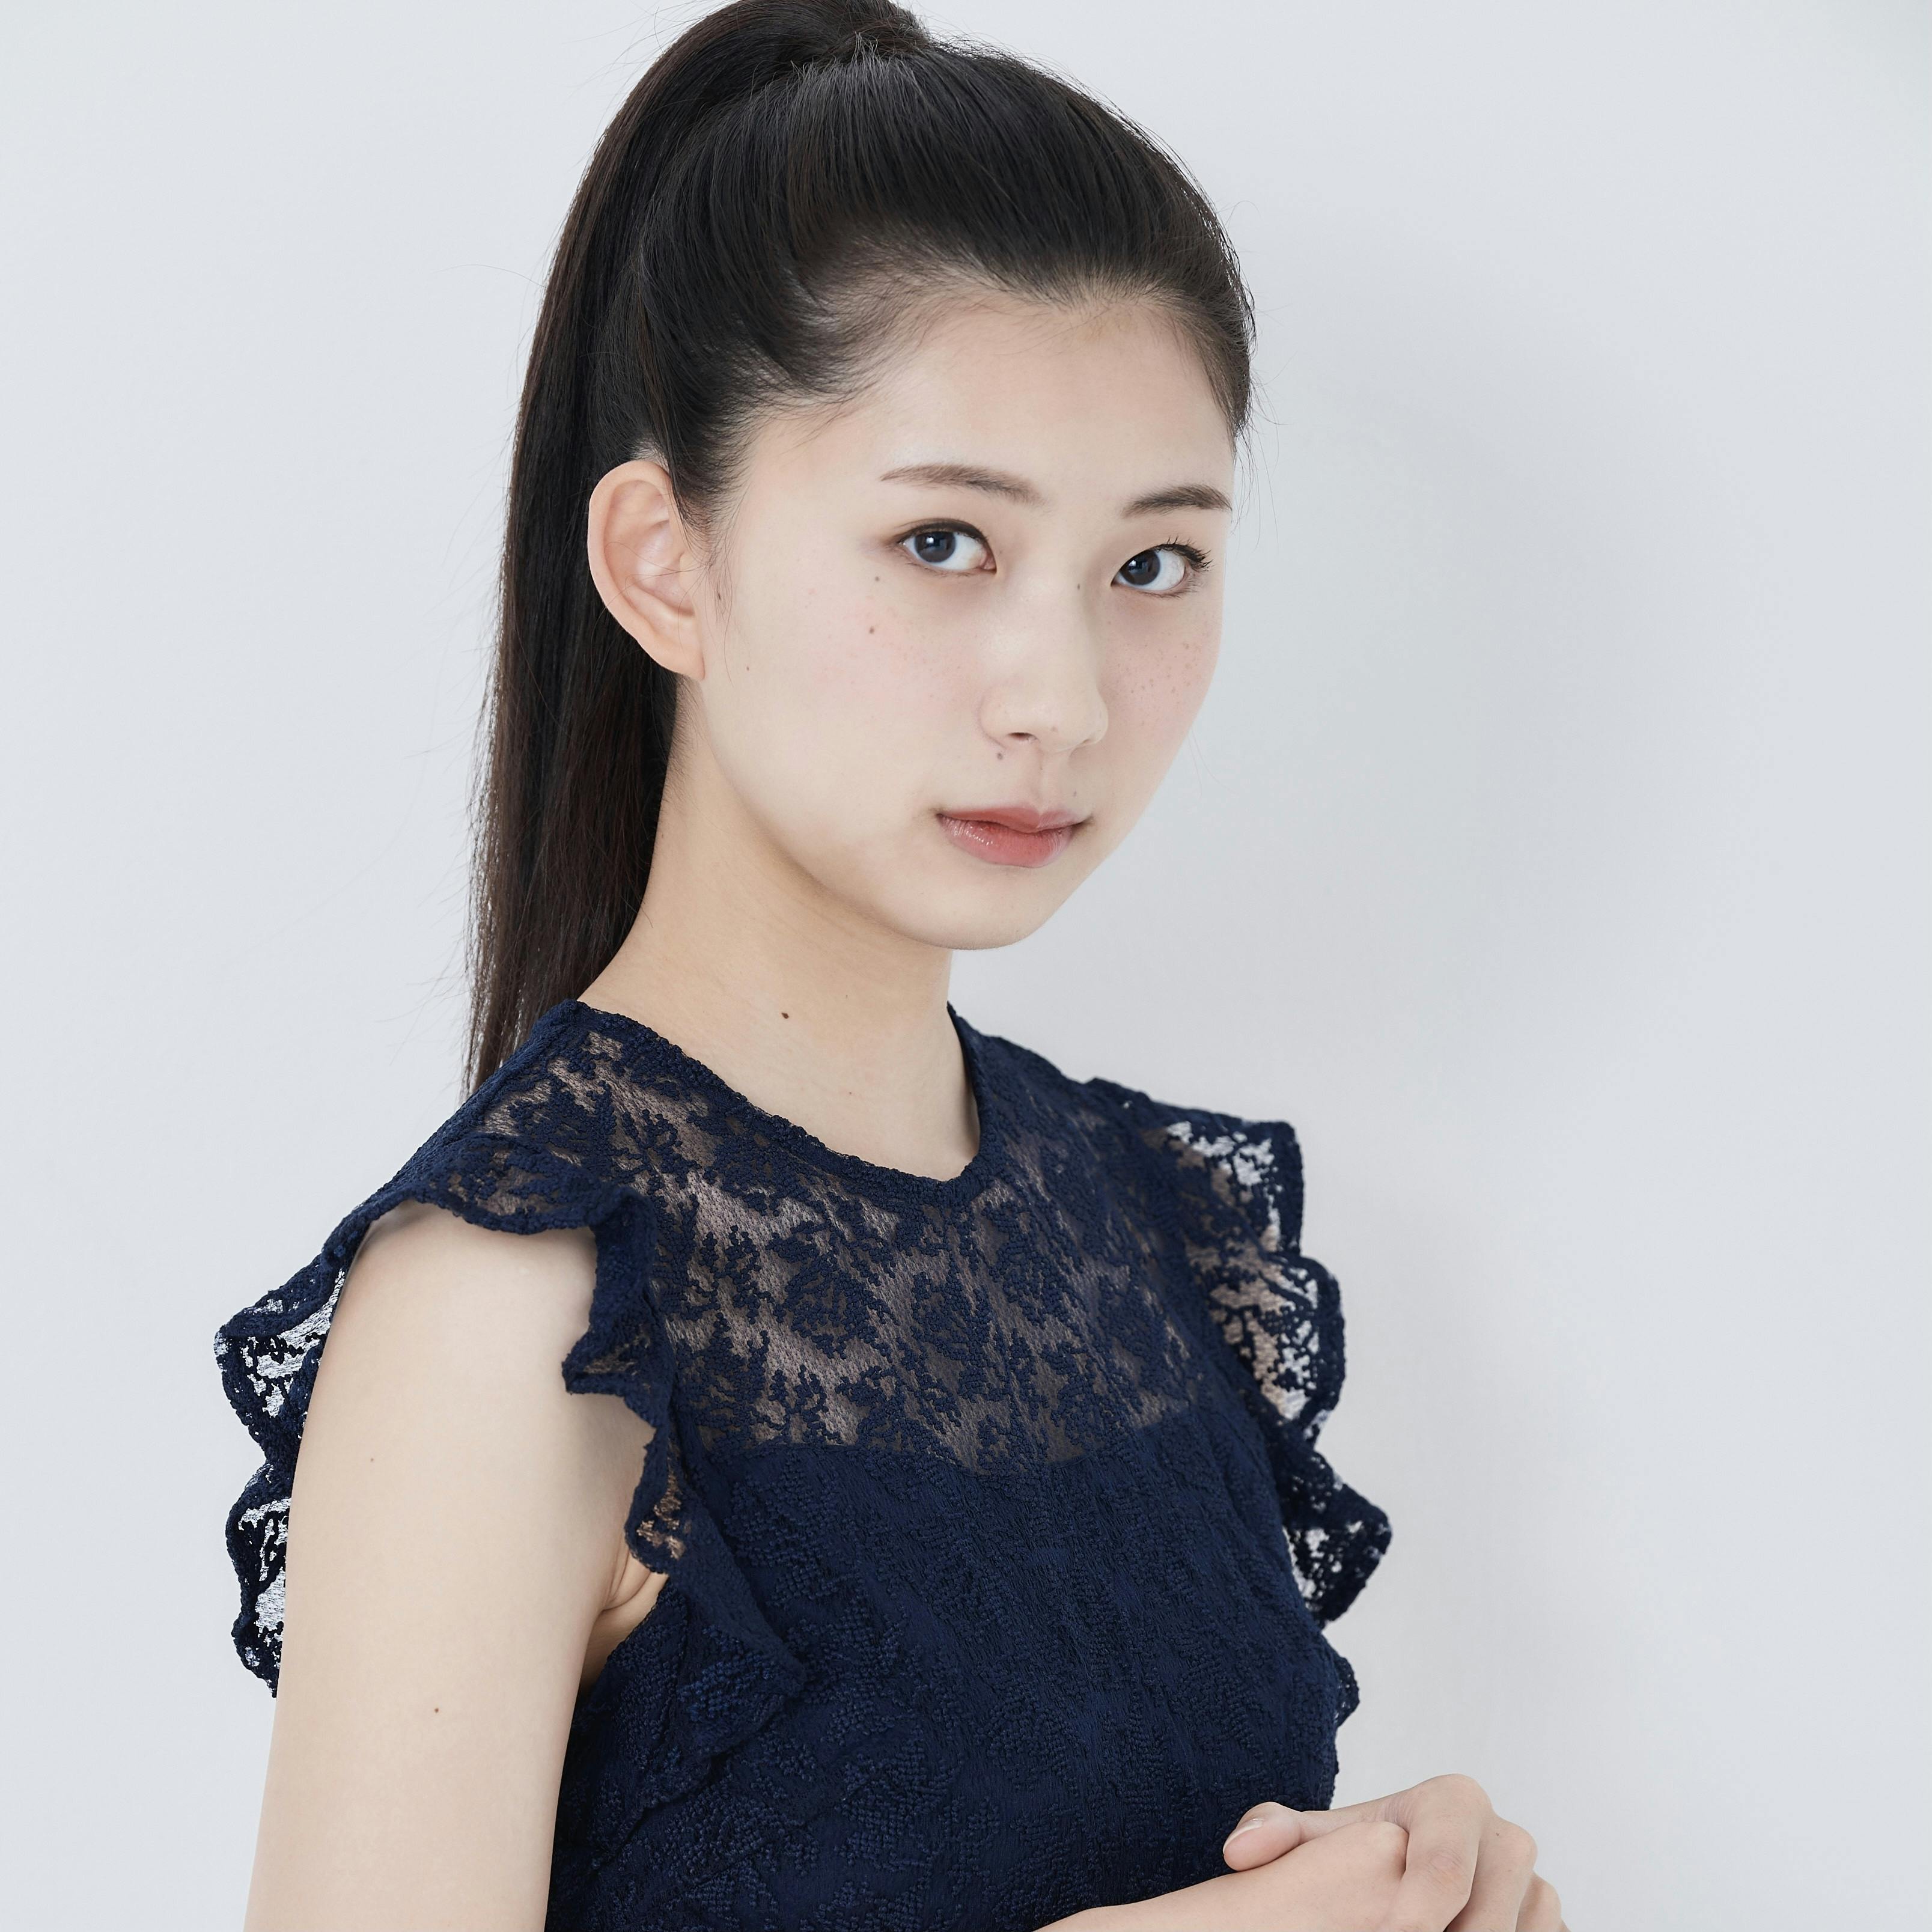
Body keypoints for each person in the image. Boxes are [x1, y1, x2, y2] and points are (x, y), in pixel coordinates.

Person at [213, 2, 1567, 1925]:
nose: (1062, 697)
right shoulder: (517, 1310)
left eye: (1154, 565)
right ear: (666, 562)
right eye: (944, 542)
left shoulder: (1154, 1231)